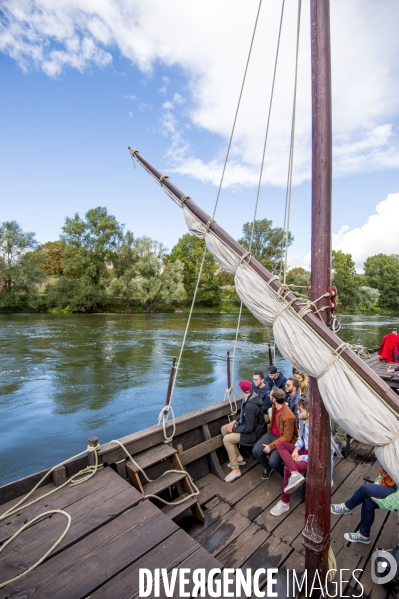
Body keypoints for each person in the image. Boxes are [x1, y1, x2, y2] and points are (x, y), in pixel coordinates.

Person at [331, 469, 398, 544]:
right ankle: (364, 535)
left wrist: (382, 502)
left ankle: (346, 507)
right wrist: (375, 487)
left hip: (396, 494)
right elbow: (384, 473)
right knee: (368, 501)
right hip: (392, 486)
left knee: (365, 489)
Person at [269, 398, 310, 516]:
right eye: (298, 410)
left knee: (287, 468)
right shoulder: (302, 422)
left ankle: (284, 502)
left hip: (312, 458)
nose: (298, 412)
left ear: (309, 413)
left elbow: (319, 455)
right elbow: (301, 439)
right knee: (280, 444)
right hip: (303, 450)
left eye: (300, 411)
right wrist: (297, 449)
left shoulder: (316, 429)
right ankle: (295, 473)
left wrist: (302, 457)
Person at [221, 380, 266, 483]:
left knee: (227, 440)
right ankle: (238, 458)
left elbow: (250, 428)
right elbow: (243, 414)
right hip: (248, 428)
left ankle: (235, 470)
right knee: (224, 429)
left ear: (242, 390)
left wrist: (233, 429)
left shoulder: (250, 405)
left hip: (253, 435)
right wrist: (234, 421)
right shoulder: (251, 397)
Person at [252, 387, 298, 480]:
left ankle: (287, 477)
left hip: (282, 439)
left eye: (270, 395)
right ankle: (268, 468)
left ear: (274, 399)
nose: (268, 395)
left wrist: (271, 446)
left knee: (273, 462)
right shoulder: (274, 406)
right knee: (256, 451)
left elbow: (287, 438)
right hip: (272, 434)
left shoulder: (288, 416)